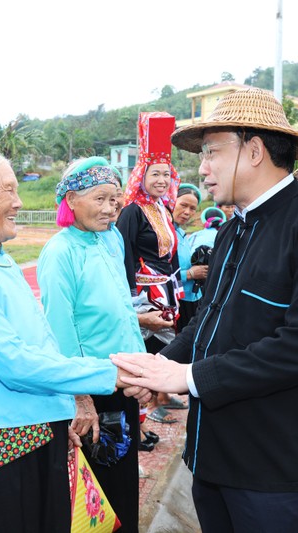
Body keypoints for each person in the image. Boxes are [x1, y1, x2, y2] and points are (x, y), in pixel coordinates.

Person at [112, 87, 298, 533]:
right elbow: (207, 324)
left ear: (254, 151)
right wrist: (158, 367)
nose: (202, 168)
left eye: (211, 152)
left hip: (273, 467)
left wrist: (186, 378)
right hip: (211, 455)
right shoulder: (231, 232)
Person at [0, 143, 132, 532]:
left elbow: (41, 342)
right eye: (7, 190)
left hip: (33, 431)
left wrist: (58, 410)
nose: (19, 202)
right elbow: (14, 363)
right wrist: (113, 373)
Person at [37, 157, 146, 532]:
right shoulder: (60, 252)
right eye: (99, 199)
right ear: (70, 200)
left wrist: (142, 370)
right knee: (99, 495)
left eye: (114, 199)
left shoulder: (111, 238)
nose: (109, 208)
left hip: (123, 381)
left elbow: (121, 309)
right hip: (92, 391)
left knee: (124, 485)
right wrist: (80, 396)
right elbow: (60, 329)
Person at [116, 111, 180, 424]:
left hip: (164, 287)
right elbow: (125, 252)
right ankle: (146, 410)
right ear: (142, 176)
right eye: (155, 174)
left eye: (166, 175)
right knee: (145, 345)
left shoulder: (162, 209)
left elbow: (171, 251)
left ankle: (158, 397)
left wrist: (176, 284)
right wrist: (130, 292)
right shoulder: (132, 211)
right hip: (141, 291)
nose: (161, 181)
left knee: (160, 344)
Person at [173, 183, 208, 330]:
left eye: (192, 208)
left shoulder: (181, 233)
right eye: (183, 205)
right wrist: (189, 274)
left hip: (192, 298)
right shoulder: (164, 234)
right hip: (176, 300)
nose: (187, 212)